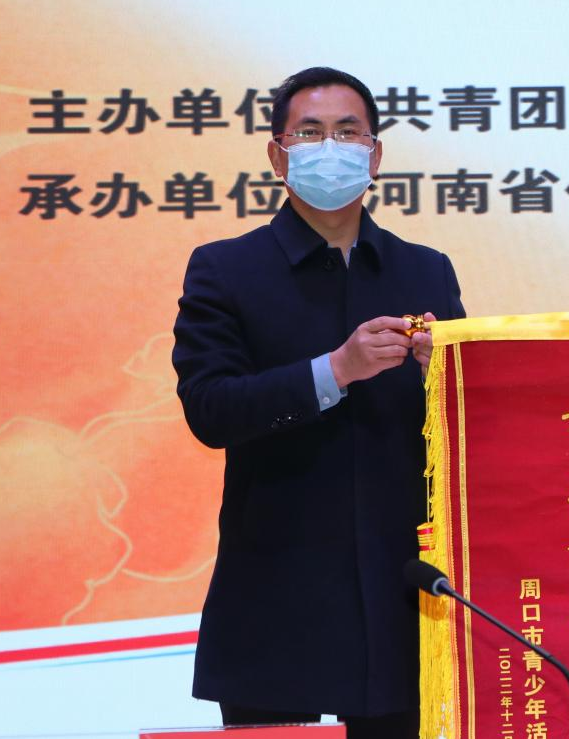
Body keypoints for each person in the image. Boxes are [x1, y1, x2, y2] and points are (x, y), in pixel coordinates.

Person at [172, 67, 465, 739]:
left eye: (348, 132)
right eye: (309, 133)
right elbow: (210, 410)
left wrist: (444, 376)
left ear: (375, 154)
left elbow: (464, 427)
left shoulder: (425, 270)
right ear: (278, 156)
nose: (330, 147)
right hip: (276, 599)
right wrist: (335, 371)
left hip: (404, 596)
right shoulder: (225, 269)